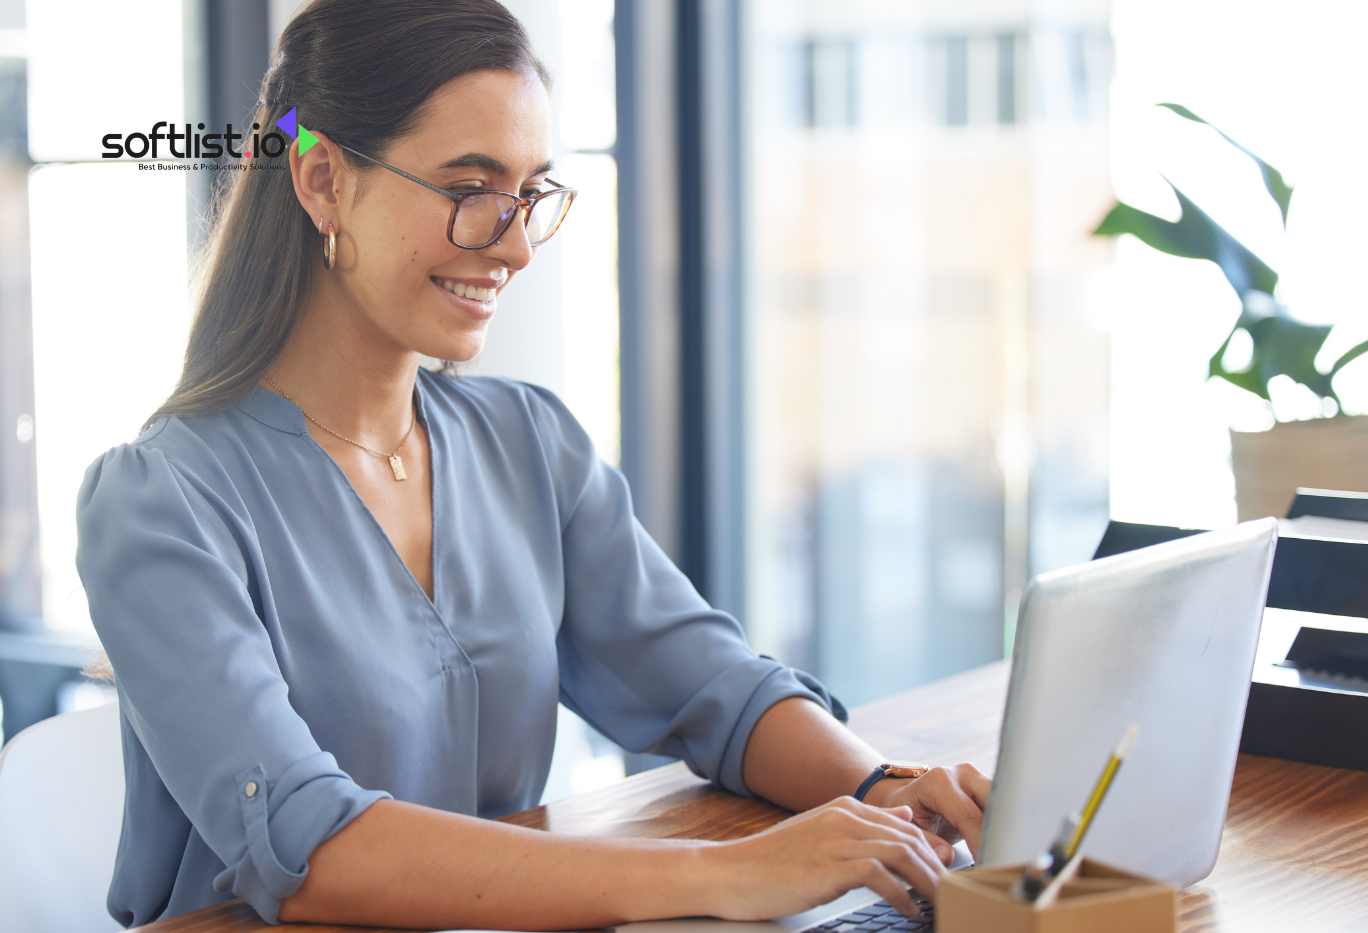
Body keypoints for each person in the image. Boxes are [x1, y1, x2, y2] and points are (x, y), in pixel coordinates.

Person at [73, 1, 990, 928]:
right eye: (470, 189)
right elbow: (310, 849)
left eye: (528, 193)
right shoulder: (159, 503)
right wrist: (728, 872)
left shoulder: (527, 443)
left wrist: (874, 788)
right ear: (321, 180)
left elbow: (716, 686)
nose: (513, 244)